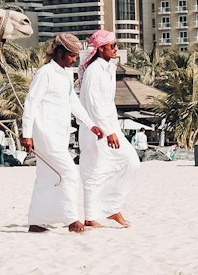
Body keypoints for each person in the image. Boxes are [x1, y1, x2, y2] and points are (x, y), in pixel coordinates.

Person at [21, 33, 101, 234]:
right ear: (59, 52)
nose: (74, 60)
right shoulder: (45, 73)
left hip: (60, 134)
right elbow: (31, 102)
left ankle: (36, 222)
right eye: (72, 56)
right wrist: (26, 134)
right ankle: (71, 220)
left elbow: (73, 102)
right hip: (45, 134)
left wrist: (91, 124)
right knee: (69, 173)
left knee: (46, 177)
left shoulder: (65, 74)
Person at [77, 31, 140, 229]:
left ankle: (111, 207)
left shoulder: (109, 68)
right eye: (112, 45)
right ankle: (90, 217)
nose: (115, 48)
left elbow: (107, 103)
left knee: (131, 163)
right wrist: (107, 130)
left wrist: (113, 129)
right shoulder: (94, 70)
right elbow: (93, 104)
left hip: (111, 127)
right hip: (95, 129)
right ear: (101, 48)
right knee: (93, 172)